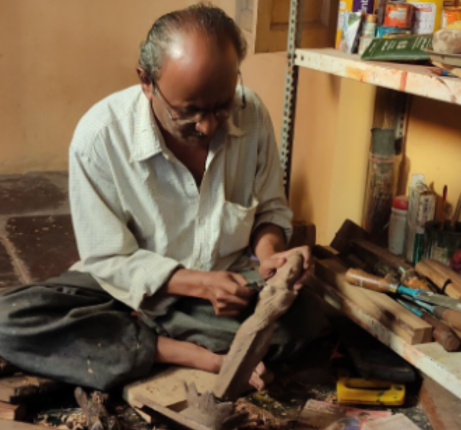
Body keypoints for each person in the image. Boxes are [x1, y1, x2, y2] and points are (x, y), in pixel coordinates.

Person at [0, 3, 329, 392]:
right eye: (188, 113)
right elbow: (107, 259)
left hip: (224, 293)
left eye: (221, 107)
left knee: (309, 319)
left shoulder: (251, 112)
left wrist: (271, 255)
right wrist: (200, 284)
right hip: (126, 291)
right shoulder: (100, 137)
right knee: (8, 318)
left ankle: (123, 342)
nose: (207, 127)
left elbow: (269, 211)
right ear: (146, 81)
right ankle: (189, 353)